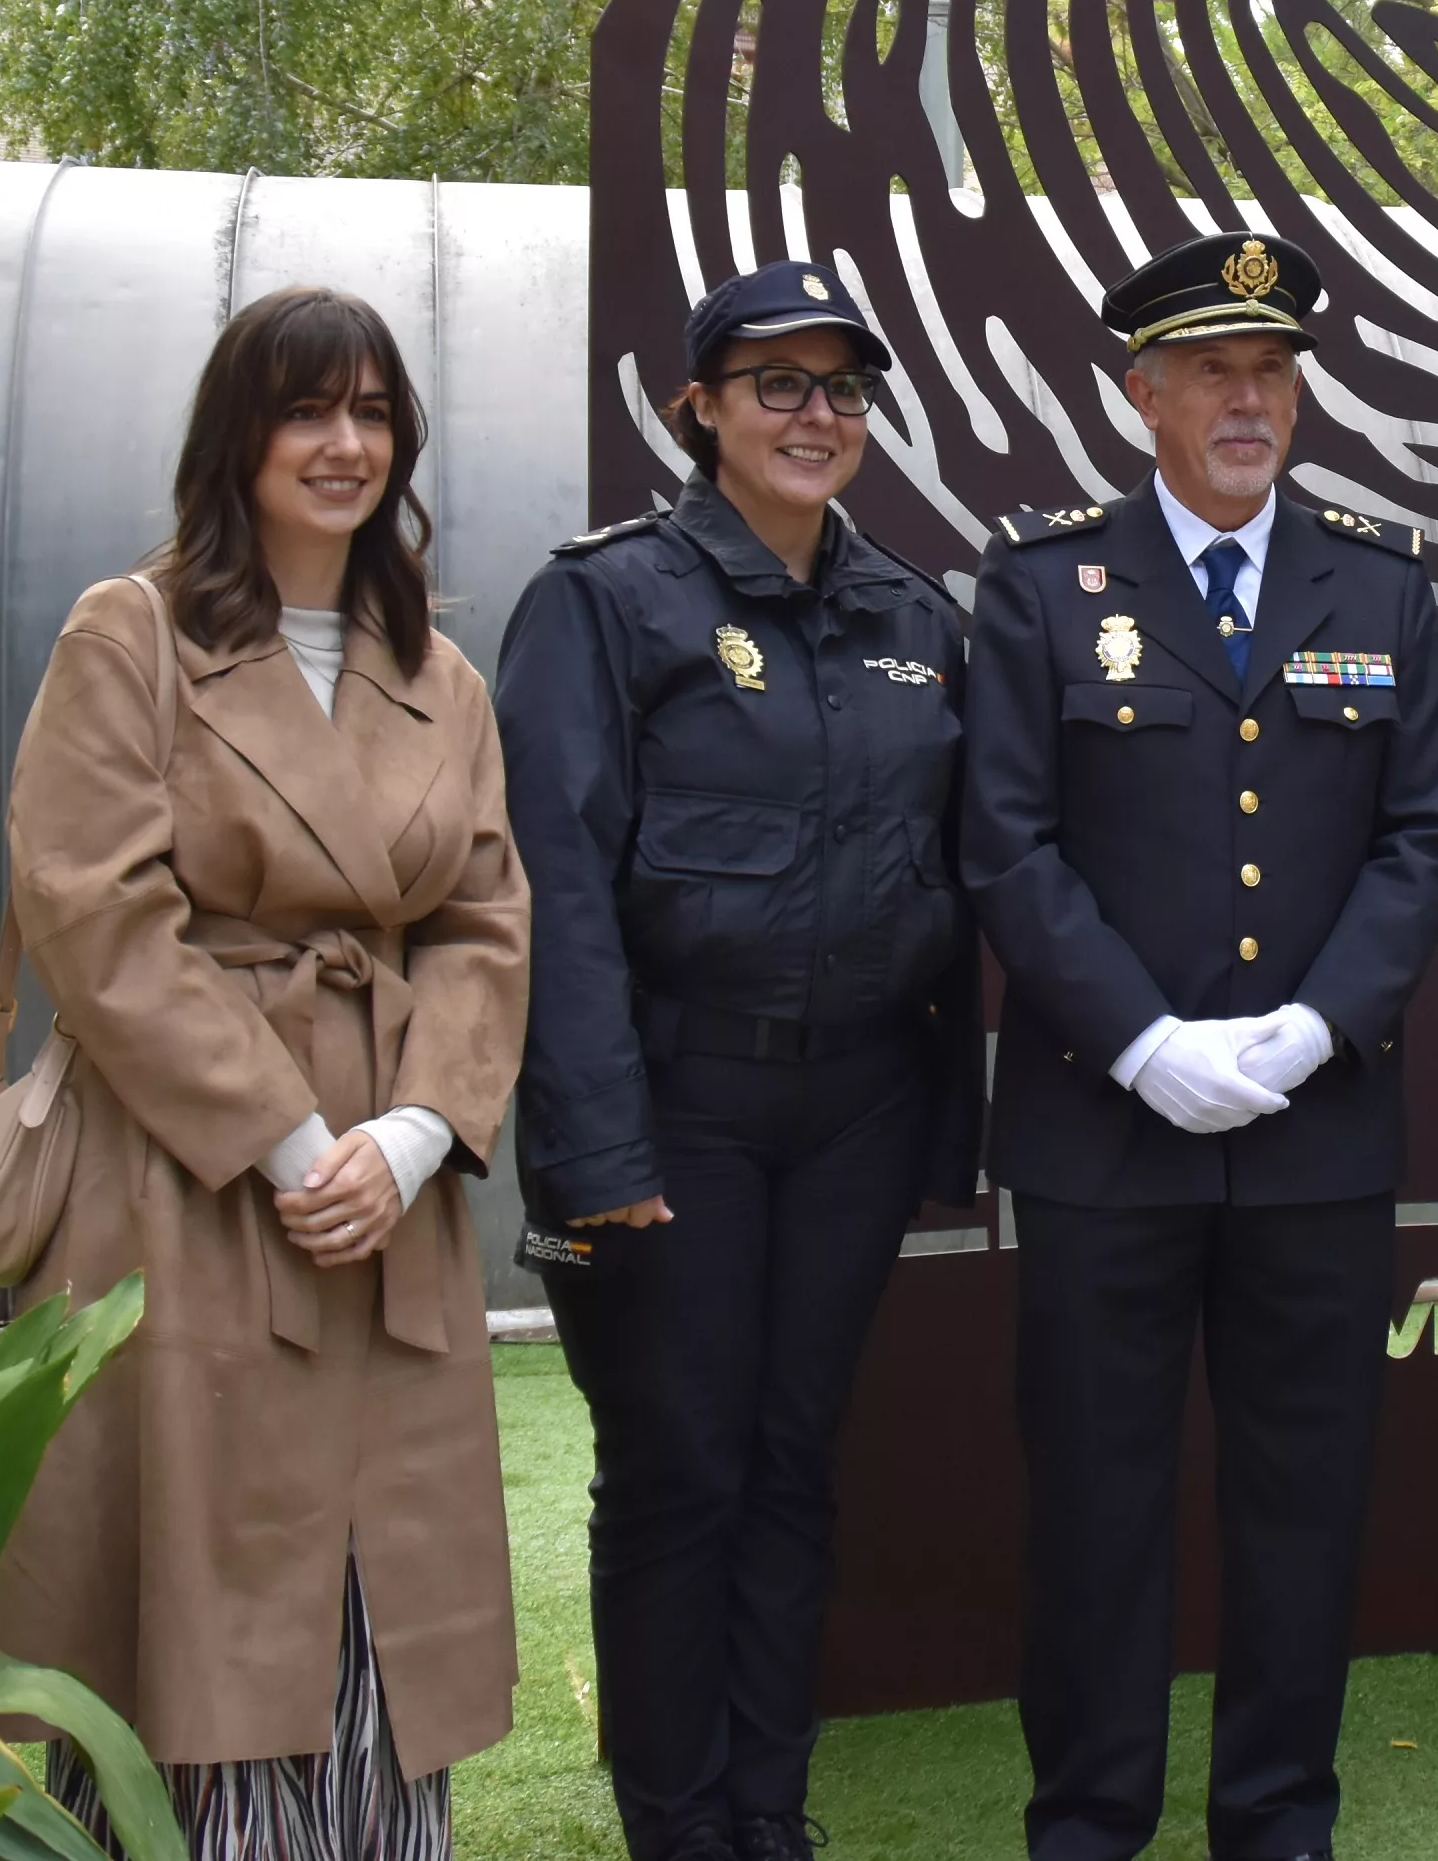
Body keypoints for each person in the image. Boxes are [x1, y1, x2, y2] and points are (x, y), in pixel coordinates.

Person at [0, 284, 529, 1859]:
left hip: (390, 1191)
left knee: (384, 1574)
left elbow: (486, 921)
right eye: (306, 409)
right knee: (206, 1582)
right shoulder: (131, 633)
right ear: (239, 434)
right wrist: (293, 1142)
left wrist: (415, 1133)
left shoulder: (440, 674)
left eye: (372, 412)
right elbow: (95, 913)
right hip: (193, 1177)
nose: (344, 443)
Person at [961, 230, 1438, 1861]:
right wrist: (1140, 1042)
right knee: (1095, 1500)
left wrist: (1319, 1025)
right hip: (1105, 1131)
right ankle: (1088, 1817)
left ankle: (1278, 1816)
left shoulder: (1378, 583)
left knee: (1303, 1501)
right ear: (1144, 395)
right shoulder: (1045, 584)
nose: (1247, 401)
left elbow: (1423, 838)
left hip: (1318, 1135)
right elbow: (1007, 844)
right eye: (1212, 373)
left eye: (1272, 372)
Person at [494, 261, 986, 1861]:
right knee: (676, 1469)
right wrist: (595, 1147)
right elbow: (551, 886)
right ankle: (679, 1823)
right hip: (673, 1105)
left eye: (843, 388)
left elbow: (964, 876)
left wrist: (947, 1124)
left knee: (789, 1462)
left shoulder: (915, 617)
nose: (815, 414)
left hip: (854, 1107)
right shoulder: (606, 601)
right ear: (701, 406)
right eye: (778, 383)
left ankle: (769, 1809)